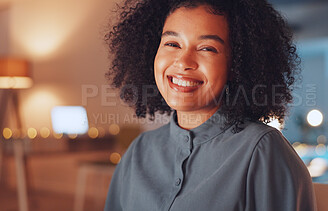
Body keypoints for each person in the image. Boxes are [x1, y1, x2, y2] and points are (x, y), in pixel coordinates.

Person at [104, 0, 316, 210]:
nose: (184, 62)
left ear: (236, 65)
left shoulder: (262, 151)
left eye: (207, 48)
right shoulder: (139, 151)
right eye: (172, 44)